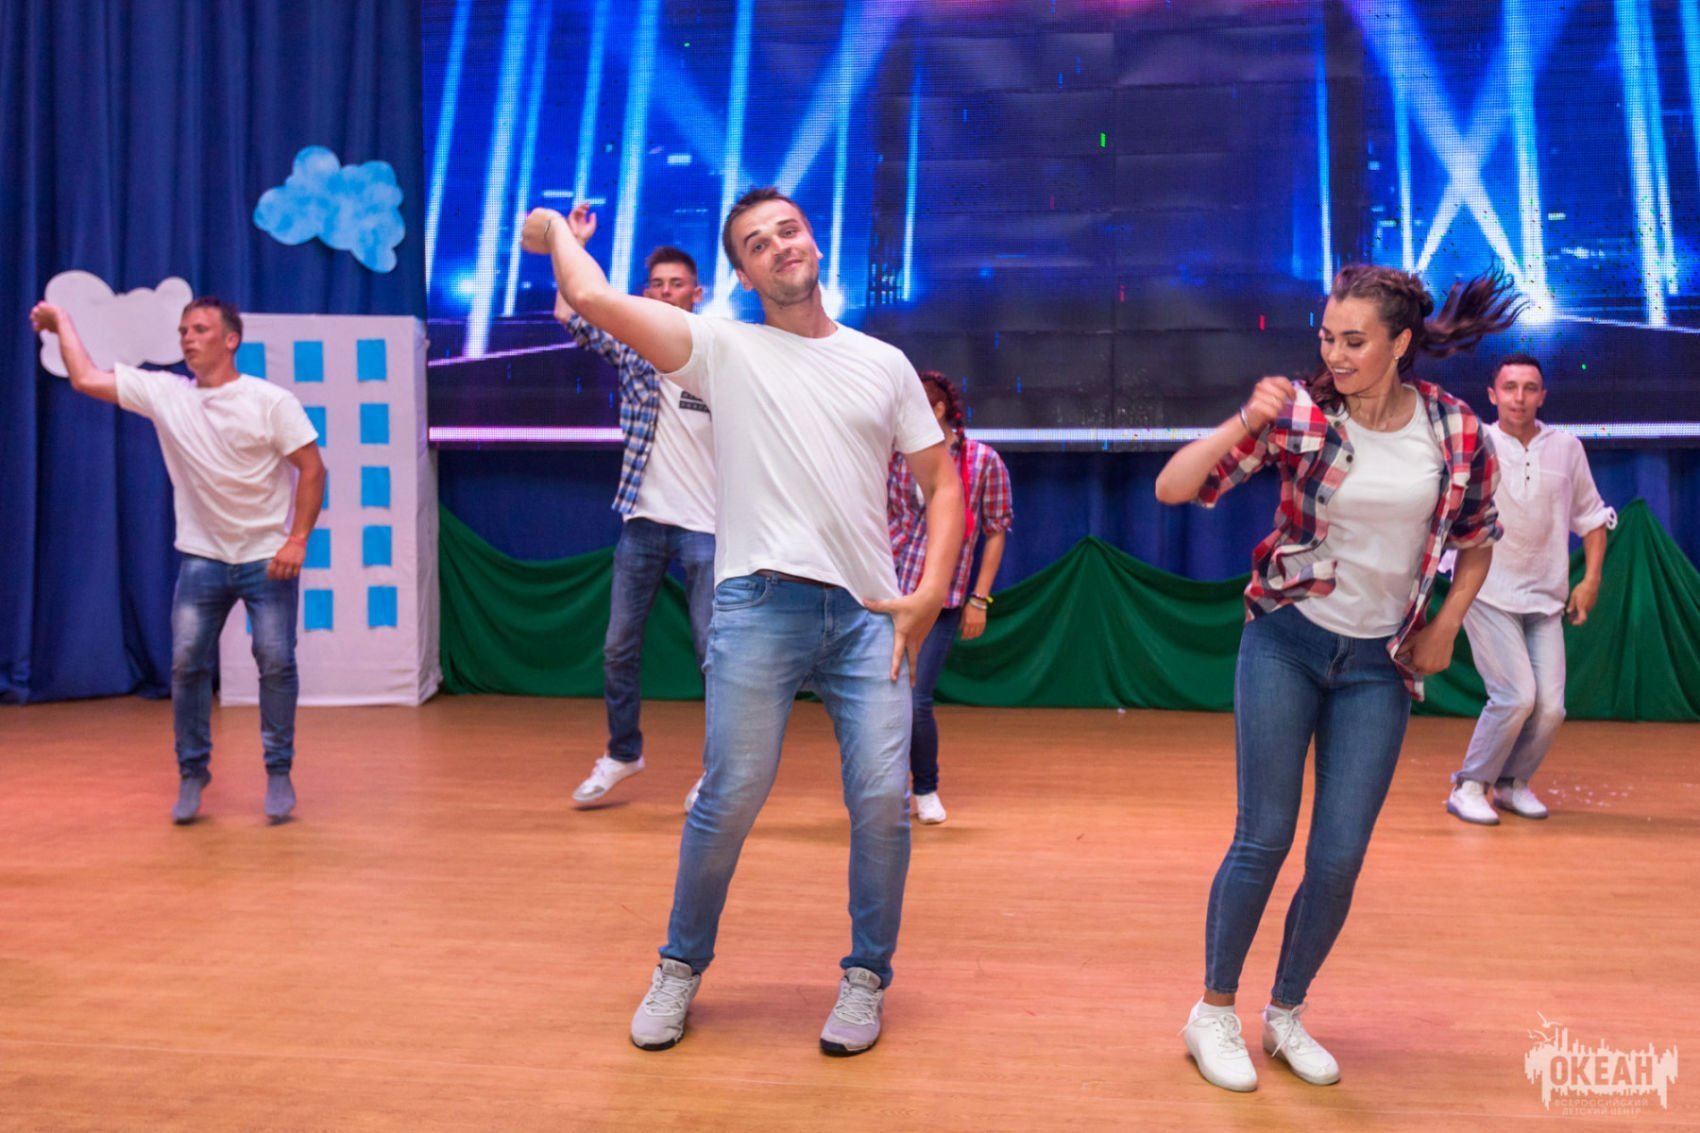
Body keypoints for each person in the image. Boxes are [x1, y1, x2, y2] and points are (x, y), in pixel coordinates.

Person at [520, 186, 963, 1056]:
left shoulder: (884, 364)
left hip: (868, 617)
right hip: (758, 607)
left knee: (883, 804)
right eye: (757, 243)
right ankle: (679, 965)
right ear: (744, 274)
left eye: (788, 230)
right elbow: (595, 298)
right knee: (727, 798)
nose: (779, 245)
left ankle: (866, 976)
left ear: (815, 243)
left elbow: (942, 483)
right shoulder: (720, 348)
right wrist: (550, 235)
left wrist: (929, 591)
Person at [1154, 264, 1521, 1092]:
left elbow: (1478, 539)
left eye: (1354, 340)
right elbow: (1174, 486)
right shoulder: (1301, 414)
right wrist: (1244, 418)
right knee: (1264, 836)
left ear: (1400, 343)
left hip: (1378, 665)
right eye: (1327, 337)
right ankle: (1212, 1010)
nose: (1335, 354)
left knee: (1339, 856)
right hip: (1286, 640)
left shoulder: (1456, 430)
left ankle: (1285, 1011)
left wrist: (1446, 626)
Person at [29, 296, 324, 825]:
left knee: (276, 661)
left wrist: (297, 540)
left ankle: (279, 771)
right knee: (187, 664)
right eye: (183, 330)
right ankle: (192, 772)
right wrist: (63, 323)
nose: (187, 338)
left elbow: (312, 467)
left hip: (265, 557)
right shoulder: (167, 393)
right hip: (202, 558)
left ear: (230, 340)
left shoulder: (270, 401)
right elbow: (86, 378)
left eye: (200, 329)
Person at [552, 211, 716, 811]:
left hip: (709, 528)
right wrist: (572, 244)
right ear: (646, 293)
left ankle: (719, 770)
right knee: (618, 648)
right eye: (657, 285)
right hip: (642, 522)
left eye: (677, 284)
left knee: (714, 657)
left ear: (697, 293)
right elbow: (570, 311)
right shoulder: (633, 352)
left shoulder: (720, 355)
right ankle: (623, 752)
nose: (666, 293)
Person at [1445, 354, 1614, 825]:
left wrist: (1591, 580)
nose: (1519, 397)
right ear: (1492, 394)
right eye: (1510, 387)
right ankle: (1469, 785)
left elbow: (1592, 518)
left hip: (1546, 596)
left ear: (1542, 396)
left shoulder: (1566, 448)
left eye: (1530, 388)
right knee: (1516, 697)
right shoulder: (1474, 444)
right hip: (1485, 590)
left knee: (1551, 708)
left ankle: (1511, 783)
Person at [885, 370, 1013, 825]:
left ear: (938, 410)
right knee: (881, 695)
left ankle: (926, 788)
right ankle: (884, 791)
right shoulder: (892, 454)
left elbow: (996, 530)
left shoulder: (982, 461)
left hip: (942, 596)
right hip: (888, 589)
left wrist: (979, 599)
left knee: (916, 695)